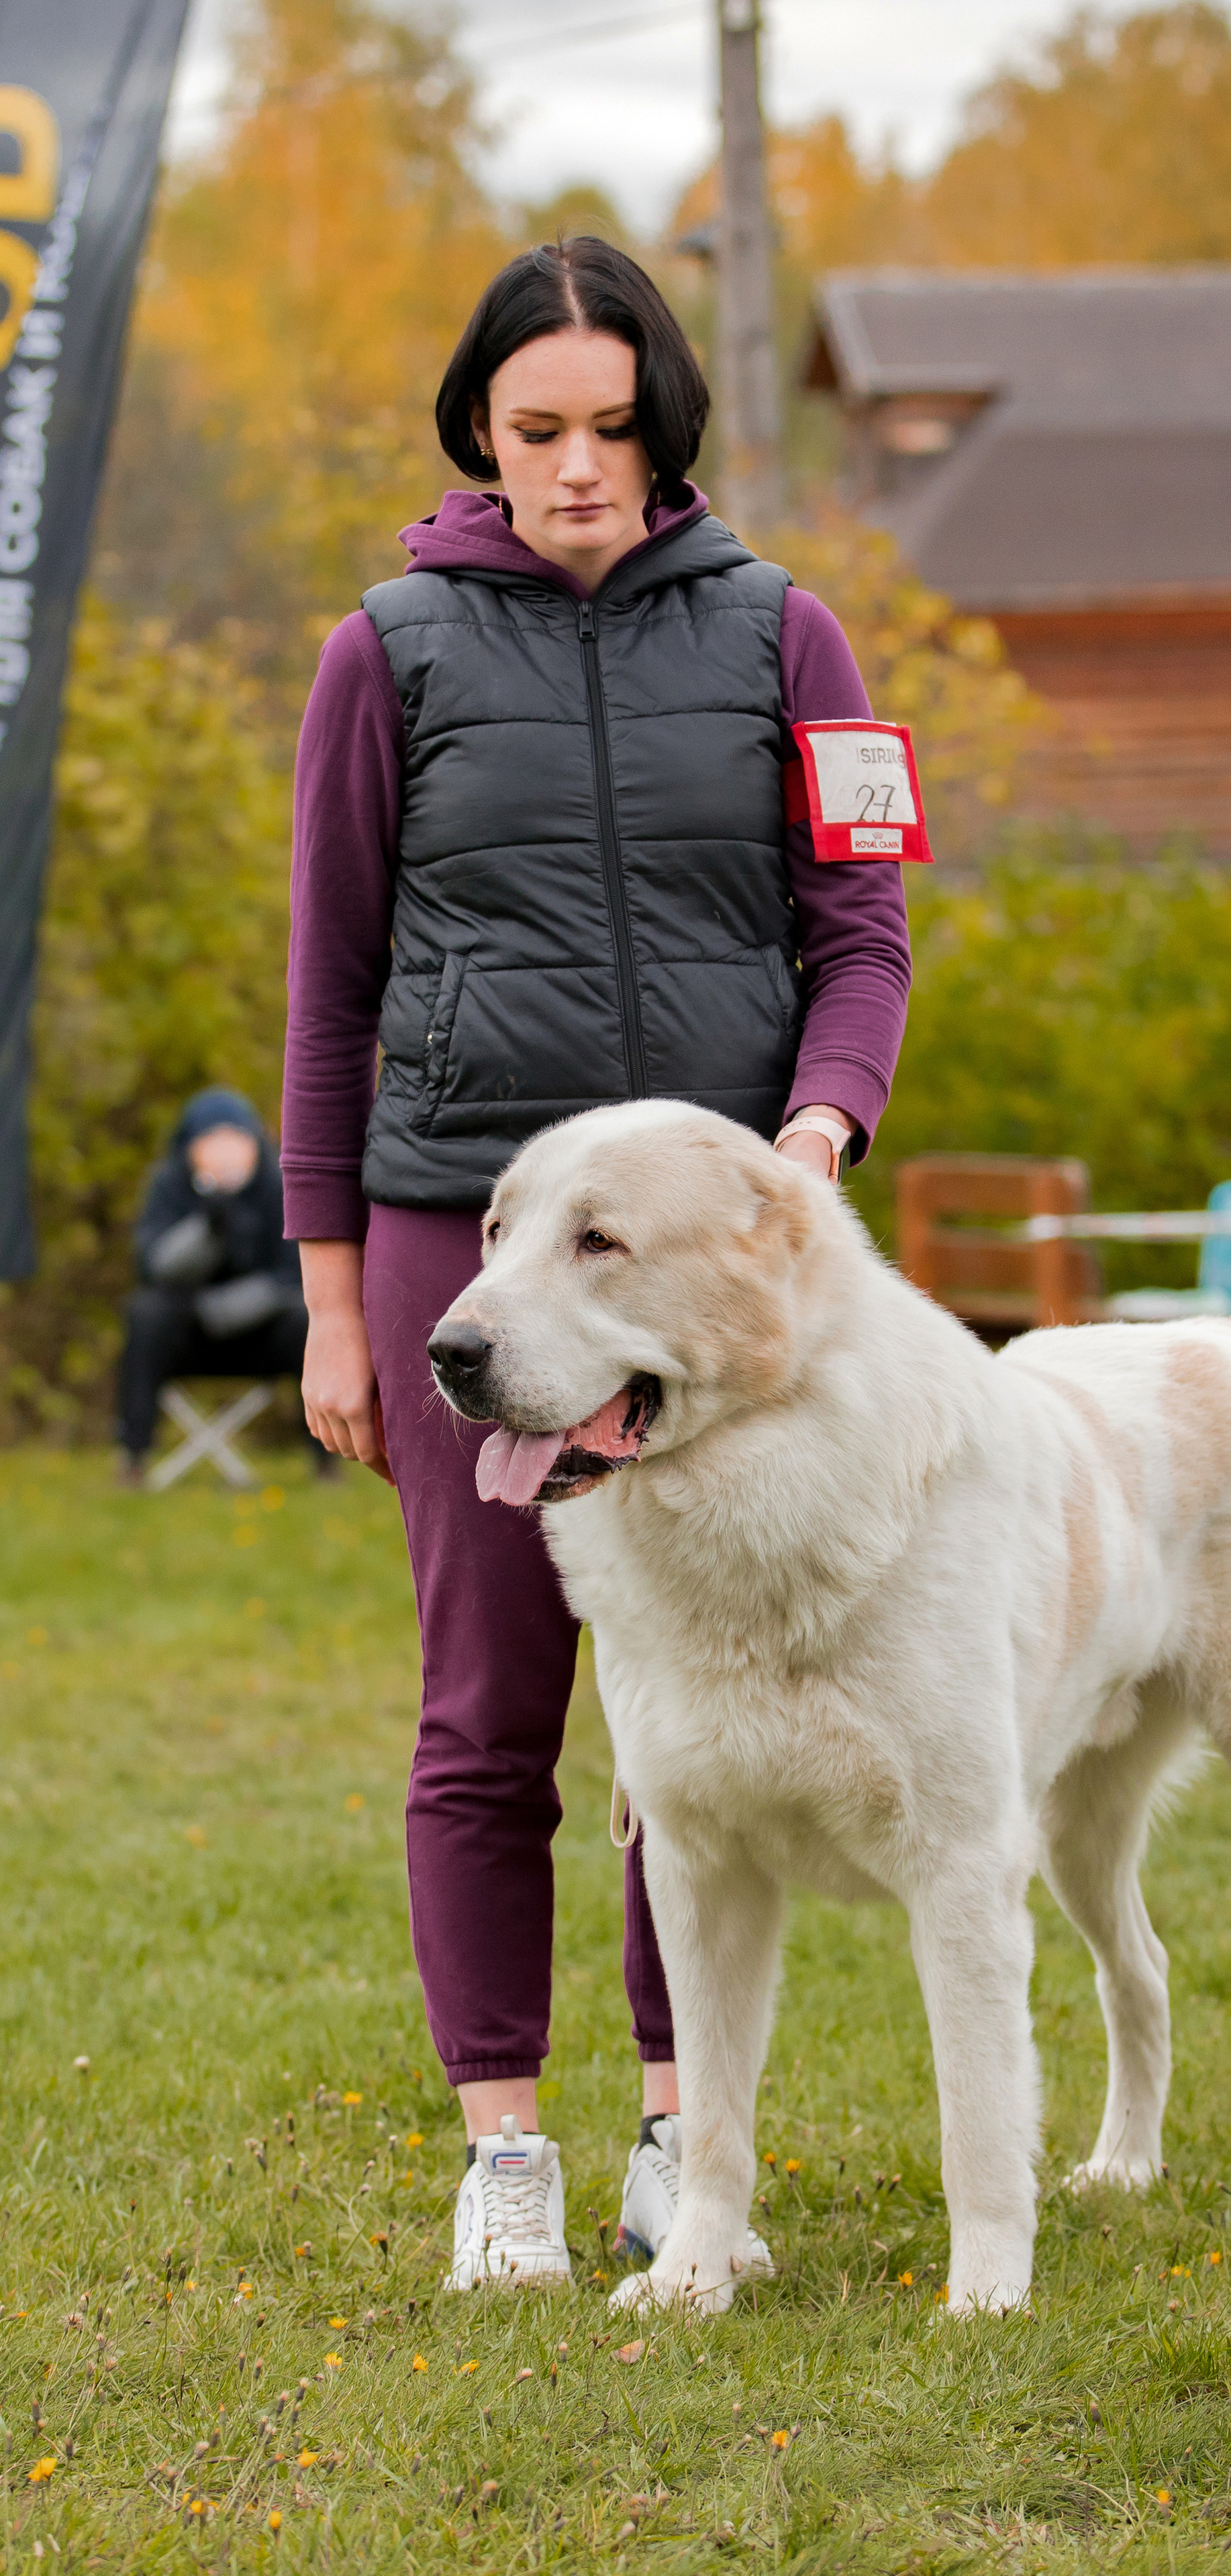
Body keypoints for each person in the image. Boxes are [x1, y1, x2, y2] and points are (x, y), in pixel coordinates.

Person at [281, 237, 912, 2289]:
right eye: (536, 427)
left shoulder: (785, 635)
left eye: (612, 427)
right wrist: (324, 1292)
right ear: (481, 426)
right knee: (491, 1712)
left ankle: (676, 2132)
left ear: (665, 430)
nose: (574, 466)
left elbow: (861, 938)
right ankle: (503, 2151)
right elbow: (329, 994)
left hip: (702, 1283)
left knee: (681, 1711)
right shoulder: (382, 651)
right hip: (454, 1245)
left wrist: (811, 1135)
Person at [117, 1087, 314, 1484]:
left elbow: (296, 1275)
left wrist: (232, 1308)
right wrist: (209, 1225)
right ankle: (133, 1456)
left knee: (309, 1319)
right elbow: (154, 1267)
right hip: (189, 1339)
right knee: (145, 1313)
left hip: (260, 1335)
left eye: (236, 1138)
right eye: (212, 1139)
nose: (225, 1151)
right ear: (189, 1148)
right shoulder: (168, 1186)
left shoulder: (280, 1188)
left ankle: (325, 1458)